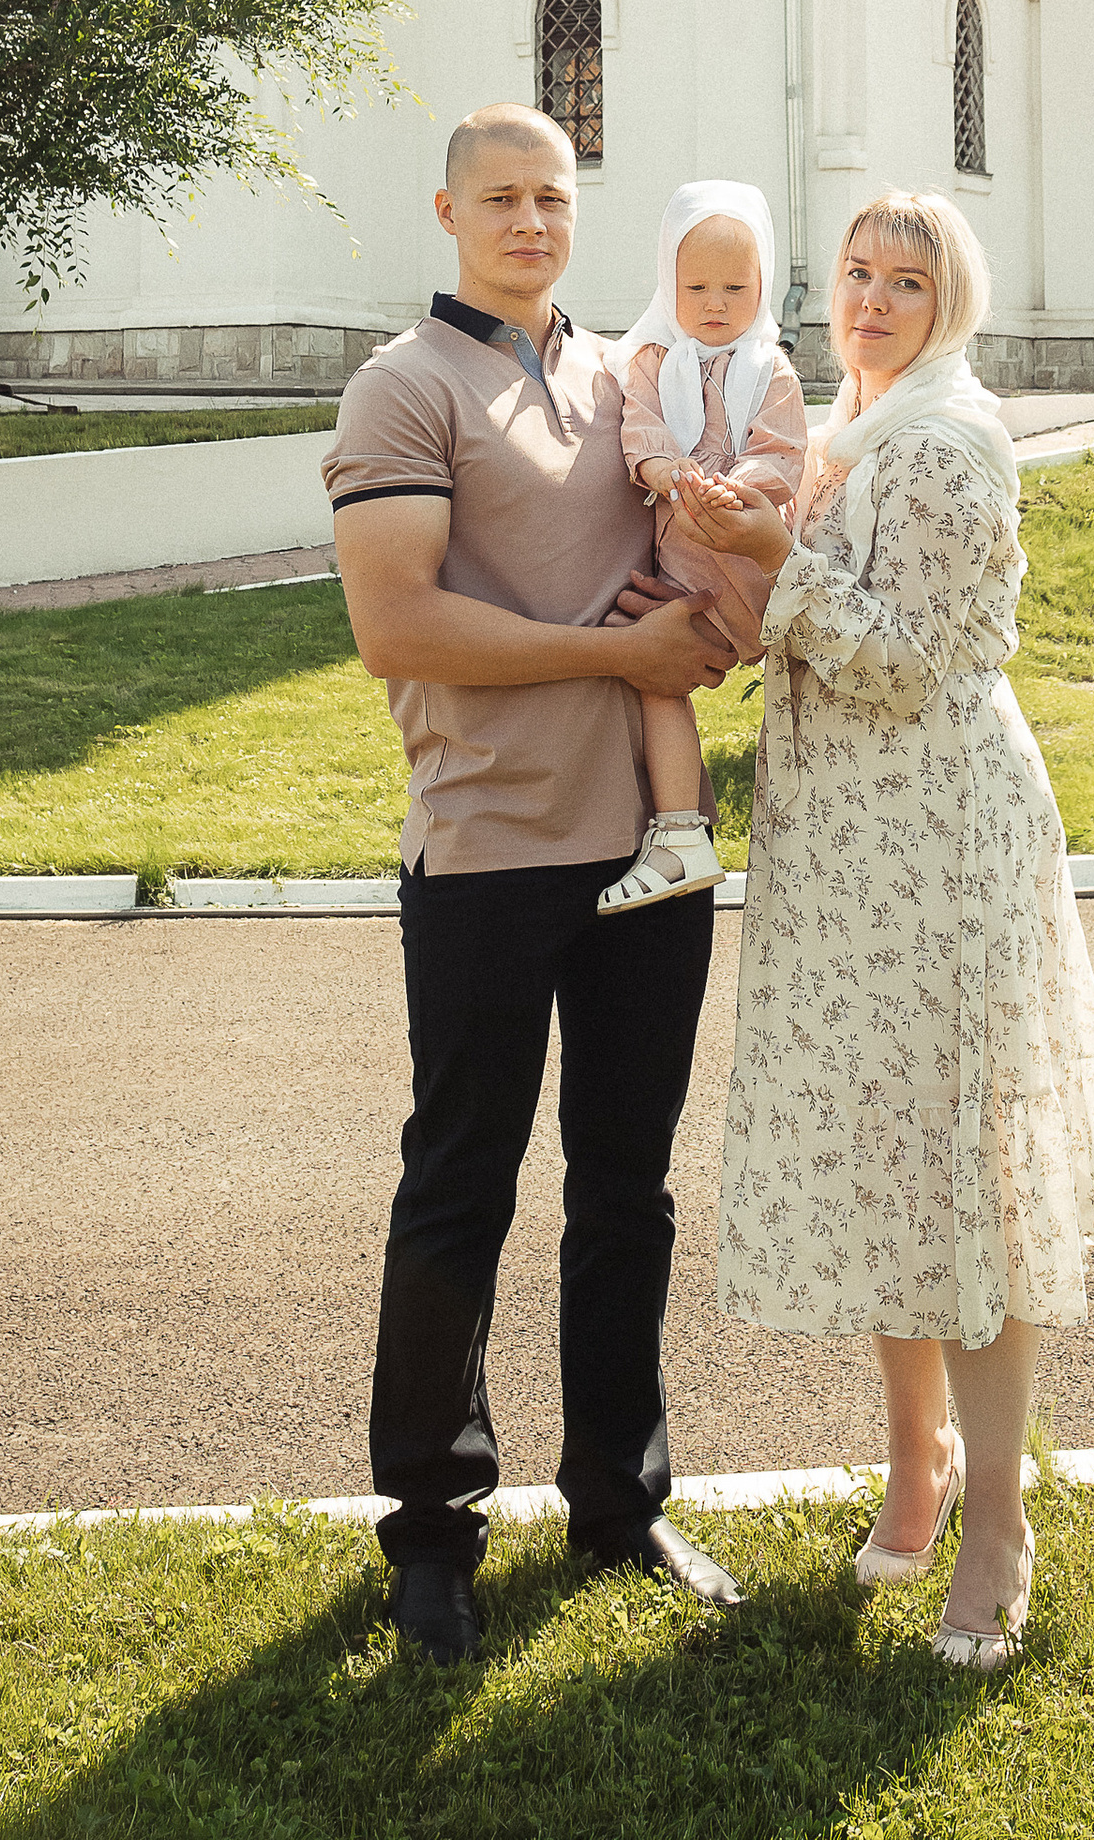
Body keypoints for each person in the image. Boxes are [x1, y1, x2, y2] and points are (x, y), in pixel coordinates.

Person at [666, 186, 1094, 1670]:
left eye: (907, 281)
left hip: (940, 847)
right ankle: (916, 1461)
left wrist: (776, 563)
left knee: (969, 1175)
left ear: (952, 304)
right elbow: (805, 622)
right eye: (857, 274)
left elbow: (917, 663)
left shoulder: (944, 445)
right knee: (889, 1153)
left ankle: (999, 1520)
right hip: (844, 849)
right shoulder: (850, 431)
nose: (874, 302)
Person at [326, 102, 749, 1666]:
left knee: (627, 1189)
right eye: (501, 198)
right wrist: (615, 655)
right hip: (492, 847)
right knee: (461, 1186)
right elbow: (399, 626)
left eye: (553, 198)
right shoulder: (405, 386)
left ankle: (620, 1505)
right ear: (448, 214)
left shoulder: (627, 375)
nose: (530, 223)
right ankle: (432, 1536)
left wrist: (709, 616)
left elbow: (706, 558)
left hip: (652, 851)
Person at [597, 179, 809, 918]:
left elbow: (781, 451)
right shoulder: (653, 362)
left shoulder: (771, 369)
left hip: (746, 561)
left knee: (777, 679)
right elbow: (641, 427)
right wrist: (662, 468)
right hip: (687, 565)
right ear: (669, 283)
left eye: (735, 287)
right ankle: (678, 827)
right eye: (696, 287)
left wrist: (734, 486)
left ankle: (723, 828)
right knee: (657, 672)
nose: (715, 304)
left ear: (764, 284)